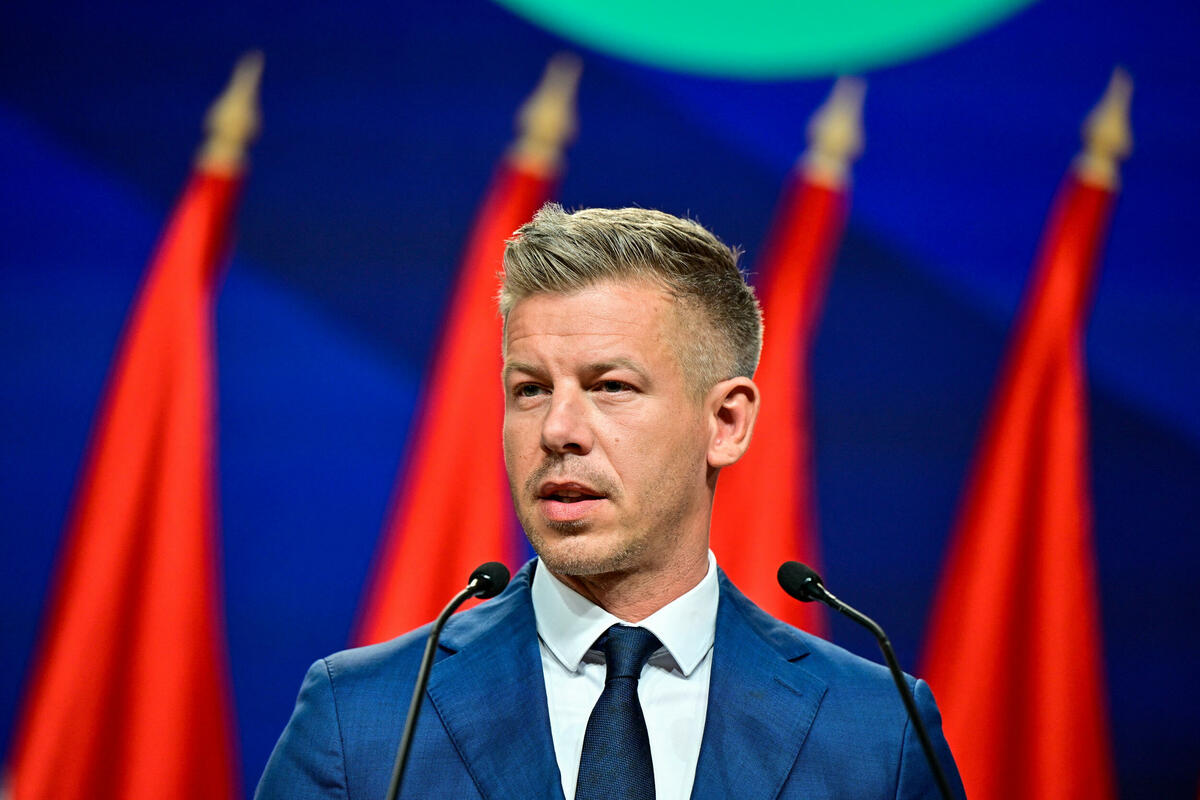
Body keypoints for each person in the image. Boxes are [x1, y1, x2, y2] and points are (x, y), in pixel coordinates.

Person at [255, 205, 964, 800]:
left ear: (725, 423)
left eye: (610, 387)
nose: (557, 430)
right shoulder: (363, 720)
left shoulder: (876, 732)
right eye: (530, 389)